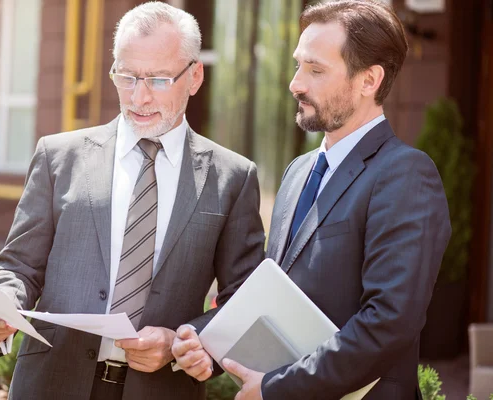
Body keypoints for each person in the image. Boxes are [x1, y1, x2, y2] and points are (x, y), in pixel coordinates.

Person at [0, 2, 265, 399]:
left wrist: (183, 341)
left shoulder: (233, 178)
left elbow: (242, 301)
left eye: (158, 80)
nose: (139, 97)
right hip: (50, 384)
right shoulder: (59, 156)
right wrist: (2, 302)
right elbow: (19, 265)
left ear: (194, 77)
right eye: (126, 77)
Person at [172, 1, 451, 399]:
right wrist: (203, 341)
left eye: (316, 70)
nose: (295, 83)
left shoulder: (406, 174)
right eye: (298, 64)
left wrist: (276, 389)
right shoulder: (298, 171)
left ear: (369, 79)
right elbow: (271, 296)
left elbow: (389, 323)